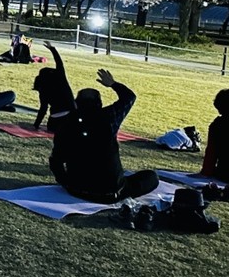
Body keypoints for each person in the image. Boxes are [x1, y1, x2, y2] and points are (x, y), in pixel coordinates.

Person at [48, 69, 158, 203]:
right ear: (99, 104)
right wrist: (113, 84)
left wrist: (66, 183)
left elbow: (56, 161)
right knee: (151, 177)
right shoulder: (109, 117)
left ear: (76, 104)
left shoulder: (66, 124)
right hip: (111, 192)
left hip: (77, 189)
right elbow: (129, 97)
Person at [32, 41, 75, 130]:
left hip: (56, 119)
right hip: (72, 116)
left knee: (53, 127)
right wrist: (52, 49)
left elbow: (43, 109)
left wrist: (36, 125)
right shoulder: (61, 78)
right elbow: (59, 63)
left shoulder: (43, 89)